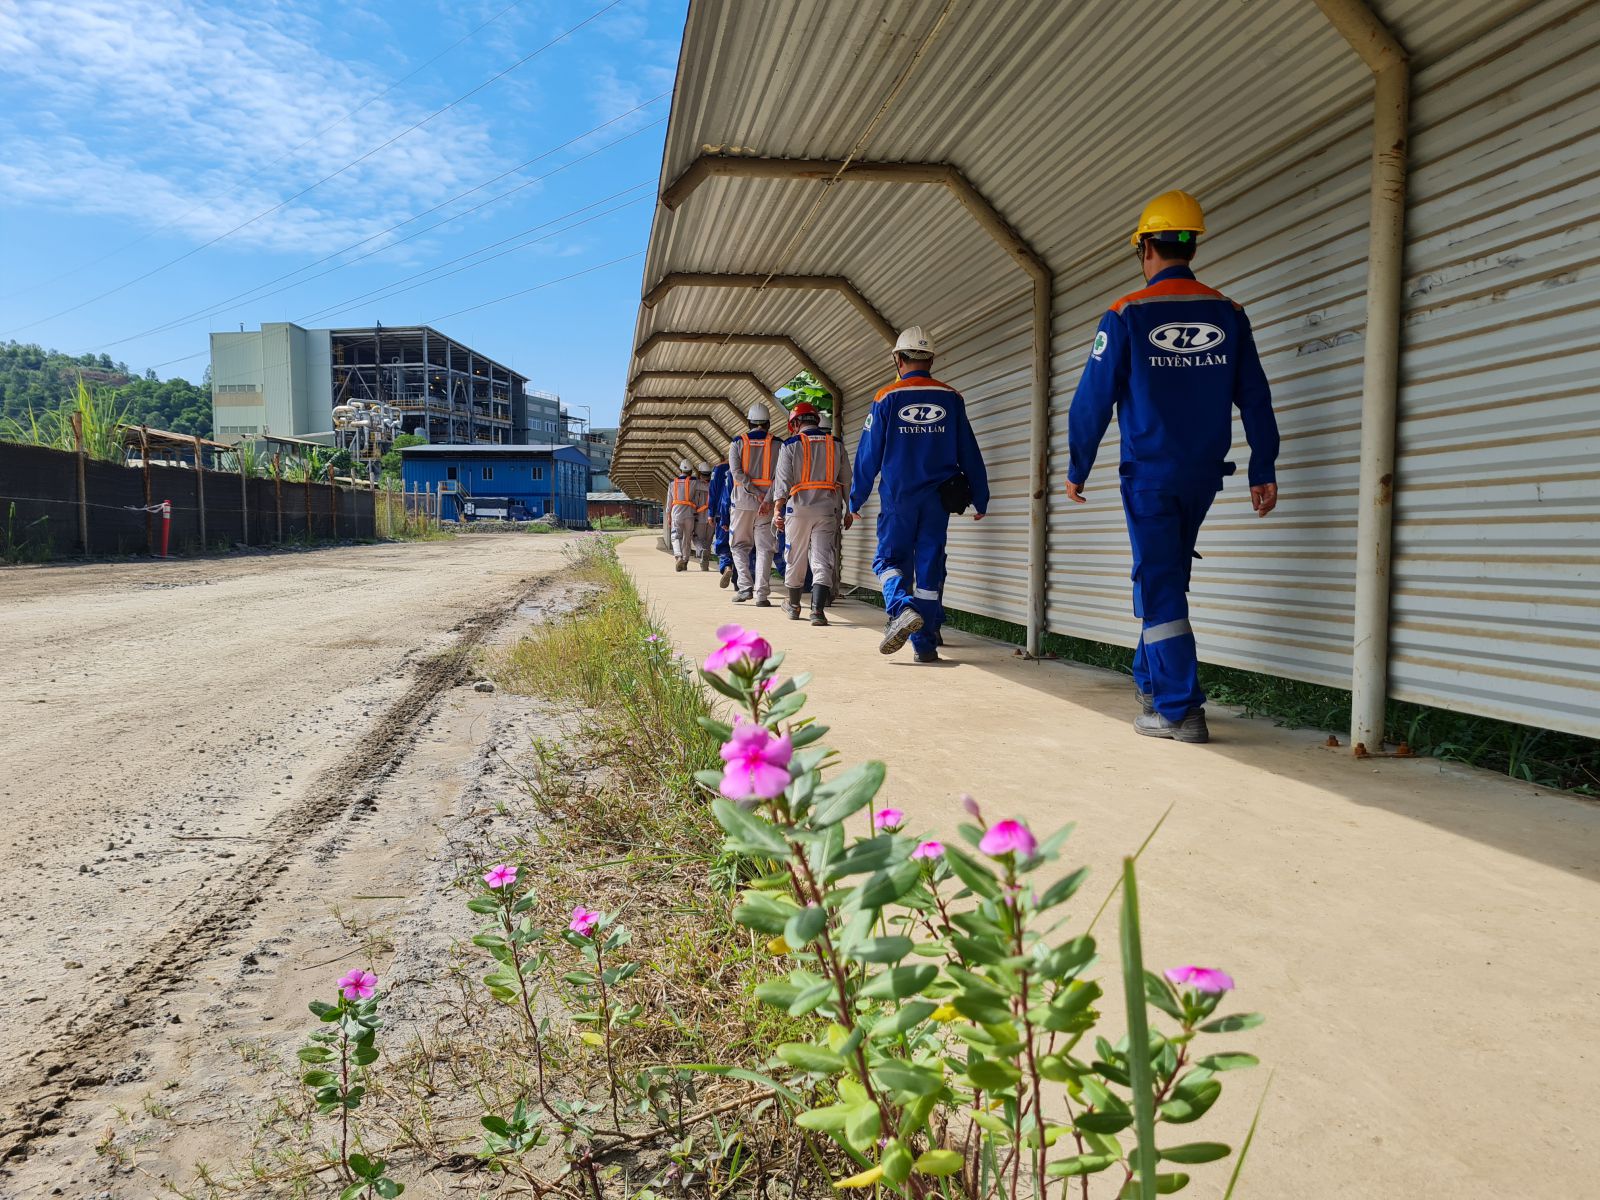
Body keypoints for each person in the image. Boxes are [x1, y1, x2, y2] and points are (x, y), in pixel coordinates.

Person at [1064, 190, 1280, 744]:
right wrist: (1263, 467)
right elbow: (1254, 397)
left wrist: (1078, 465)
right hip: (1206, 473)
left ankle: (1181, 710)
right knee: (1168, 577)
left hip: (1150, 475)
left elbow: (1092, 400)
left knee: (1160, 586)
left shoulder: (1126, 313)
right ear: (1191, 247)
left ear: (1144, 248)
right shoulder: (1230, 313)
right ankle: (1153, 684)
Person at [849, 326, 988, 663]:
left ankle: (900, 608)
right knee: (928, 570)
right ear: (931, 359)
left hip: (899, 498)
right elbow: (969, 450)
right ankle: (925, 646)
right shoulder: (952, 397)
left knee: (888, 561)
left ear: (898, 359)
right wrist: (981, 496)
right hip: (938, 501)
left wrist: (855, 499)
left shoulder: (886, 397)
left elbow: (869, 455)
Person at [772, 403, 852, 625]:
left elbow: (783, 482)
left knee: (795, 556)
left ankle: (794, 605)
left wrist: (778, 509)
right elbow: (847, 480)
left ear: (796, 423)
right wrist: (850, 510)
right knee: (822, 559)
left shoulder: (790, 445)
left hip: (798, 510)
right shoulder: (836, 445)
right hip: (827, 510)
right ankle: (817, 611)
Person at [727, 403, 778, 606]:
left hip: (742, 503)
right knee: (765, 548)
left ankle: (745, 587)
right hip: (767, 505)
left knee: (739, 545)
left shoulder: (737, 443)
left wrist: (755, 493)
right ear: (767, 423)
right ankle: (762, 595)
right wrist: (766, 499)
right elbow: (782, 477)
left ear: (748, 422)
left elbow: (736, 473)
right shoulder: (779, 444)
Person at [665, 458, 706, 572]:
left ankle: (678, 557)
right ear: (691, 471)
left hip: (676, 514)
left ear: (680, 469)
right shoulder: (694, 481)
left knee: (676, 537)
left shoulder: (672, 483)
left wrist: (668, 516)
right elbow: (707, 488)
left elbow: (669, 501)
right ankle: (685, 561)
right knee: (687, 539)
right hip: (689, 515)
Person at [708, 460, 735, 587]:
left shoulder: (718, 469)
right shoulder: (746, 466)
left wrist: (710, 513)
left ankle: (726, 566)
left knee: (722, 544)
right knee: (741, 548)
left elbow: (713, 493)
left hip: (722, 512)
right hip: (743, 512)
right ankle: (739, 581)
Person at [693, 462, 715, 571]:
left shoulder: (696, 485)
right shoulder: (715, 484)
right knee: (708, 540)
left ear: (700, 473)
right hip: (713, 517)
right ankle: (704, 564)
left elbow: (693, 501)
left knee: (697, 538)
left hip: (700, 517)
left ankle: (701, 552)